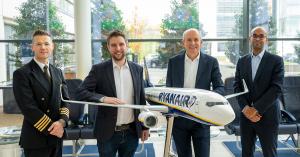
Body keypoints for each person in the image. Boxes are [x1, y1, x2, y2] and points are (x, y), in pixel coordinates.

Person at [77, 30, 149, 157]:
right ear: (108, 47)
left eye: (121, 44)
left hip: (131, 131)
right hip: (107, 133)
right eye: (113, 45)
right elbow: (80, 92)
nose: (118, 48)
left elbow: (141, 100)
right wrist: (103, 99)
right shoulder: (98, 70)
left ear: (126, 45)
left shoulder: (137, 69)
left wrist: (145, 126)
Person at [166, 28, 224, 157]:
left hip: (201, 119)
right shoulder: (173, 62)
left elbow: (220, 88)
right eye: (189, 40)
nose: (193, 43)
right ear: (183, 42)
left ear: (201, 42)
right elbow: (168, 90)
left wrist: (206, 99)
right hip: (179, 119)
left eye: (196, 40)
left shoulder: (211, 62)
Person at [13, 30, 70, 157]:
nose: (43, 47)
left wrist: (61, 122)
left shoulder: (58, 72)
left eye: (46, 43)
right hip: (36, 138)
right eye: (38, 44)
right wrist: (53, 128)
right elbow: (28, 107)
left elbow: (65, 101)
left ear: (52, 46)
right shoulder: (22, 73)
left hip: (56, 137)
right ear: (32, 47)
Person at [234, 26, 284, 157]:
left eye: (261, 36)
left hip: (268, 116)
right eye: (254, 35)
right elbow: (237, 87)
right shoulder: (241, 61)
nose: (257, 38)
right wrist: (246, 109)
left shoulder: (276, 61)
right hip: (246, 117)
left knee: (269, 153)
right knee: (246, 153)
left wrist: (255, 109)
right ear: (250, 38)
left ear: (266, 40)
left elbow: (276, 88)